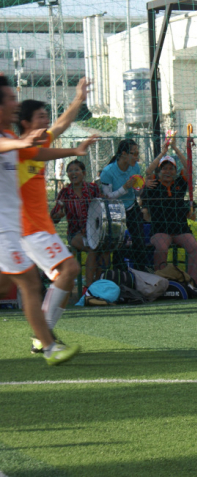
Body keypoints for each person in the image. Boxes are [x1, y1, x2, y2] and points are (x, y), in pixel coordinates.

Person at [0, 74, 93, 364]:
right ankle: (47, 343)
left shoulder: (20, 141)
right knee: (50, 277)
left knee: (19, 285)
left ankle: (46, 340)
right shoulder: (16, 143)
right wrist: (21, 144)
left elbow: (54, 134)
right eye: (11, 98)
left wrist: (78, 101)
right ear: (26, 121)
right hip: (27, 230)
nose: (15, 102)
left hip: (27, 229)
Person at [141, 147, 197, 285]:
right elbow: (148, 171)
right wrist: (162, 152)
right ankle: (160, 281)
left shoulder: (180, 183)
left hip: (180, 228)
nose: (168, 171)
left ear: (175, 171)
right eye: (164, 168)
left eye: (171, 168)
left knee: (195, 248)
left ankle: (192, 282)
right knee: (161, 248)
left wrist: (176, 148)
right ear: (159, 171)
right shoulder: (153, 184)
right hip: (160, 229)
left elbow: (188, 168)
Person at [51, 160, 103, 289]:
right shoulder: (65, 193)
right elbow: (53, 218)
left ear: (84, 173)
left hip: (95, 230)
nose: (73, 173)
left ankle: (100, 282)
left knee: (105, 250)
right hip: (75, 233)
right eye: (70, 171)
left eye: (76, 170)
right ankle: (90, 286)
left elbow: (101, 209)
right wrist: (58, 215)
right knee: (92, 248)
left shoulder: (93, 189)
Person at [100, 138, 148, 270]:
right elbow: (108, 197)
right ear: (123, 154)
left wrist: (141, 187)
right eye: (134, 154)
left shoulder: (135, 167)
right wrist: (124, 188)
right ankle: (119, 274)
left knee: (139, 240)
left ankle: (140, 272)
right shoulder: (108, 172)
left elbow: (137, 193)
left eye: (138, 153)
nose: (137, 157)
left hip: (132, 206)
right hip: (115, 209)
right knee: (118, 244)